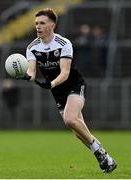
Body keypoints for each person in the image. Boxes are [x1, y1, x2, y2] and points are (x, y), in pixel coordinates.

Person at [19, 8, 117, 173]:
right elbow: (31, 72)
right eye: (36, 23)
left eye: (42, 23)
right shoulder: (32, 48)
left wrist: (51, 84)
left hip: (74, 85)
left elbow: (64, 73)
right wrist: (25, 76)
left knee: (70, 119)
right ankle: (106, 159)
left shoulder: (64, 43)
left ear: (52, 25)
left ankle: (99, 150)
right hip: (58, 92)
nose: (38, 26)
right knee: (78, 131)